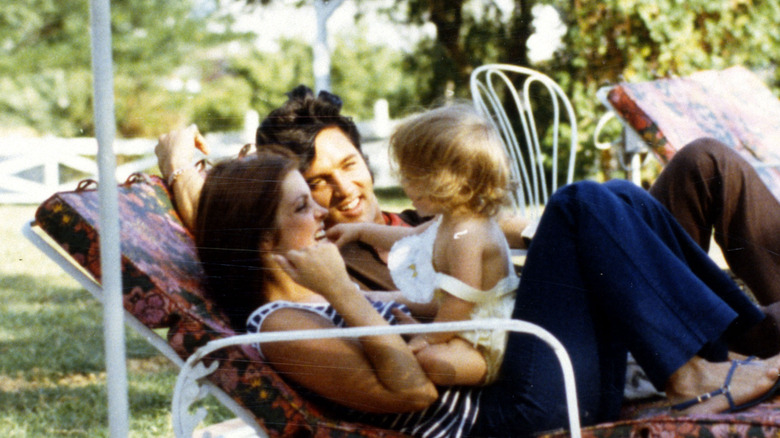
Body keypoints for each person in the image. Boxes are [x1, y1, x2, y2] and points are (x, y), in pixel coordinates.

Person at [195, 147, 780, 436]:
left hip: (531, 385)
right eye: (303, 205)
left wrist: (347, 292)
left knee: (618, 195)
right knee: (577, 205)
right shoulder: (279, 326)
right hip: (514, 418)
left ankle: (742, 336)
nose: (321, 211)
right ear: (263, 244)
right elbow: (413, 393)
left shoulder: (315, 303)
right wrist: (344, 290)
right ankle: (692, 378)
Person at [155, 86, 778, 354]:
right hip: (563, 336)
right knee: (588, 203)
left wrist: (570, 230)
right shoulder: (314, 253)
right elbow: (225, 232)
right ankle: (750, 331)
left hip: (581, 289)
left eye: (350, 165)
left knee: (704, 163)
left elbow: (512, 228)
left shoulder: (419, 218)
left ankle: (753, 323)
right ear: (292, 196)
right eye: (317, 182)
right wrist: (180, 165)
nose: (344, 190)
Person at [326, 105, 519, 386]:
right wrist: (359, 232)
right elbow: (410, 237)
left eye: (412, 177)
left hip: (489, 336)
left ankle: (497, 375)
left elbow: (459, 302)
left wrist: (428, 336)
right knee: (415, 347)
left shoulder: (469, 234)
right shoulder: (450, 220)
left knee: (429, 361)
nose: (404, 185)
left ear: (450, 180)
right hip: (461, 324)